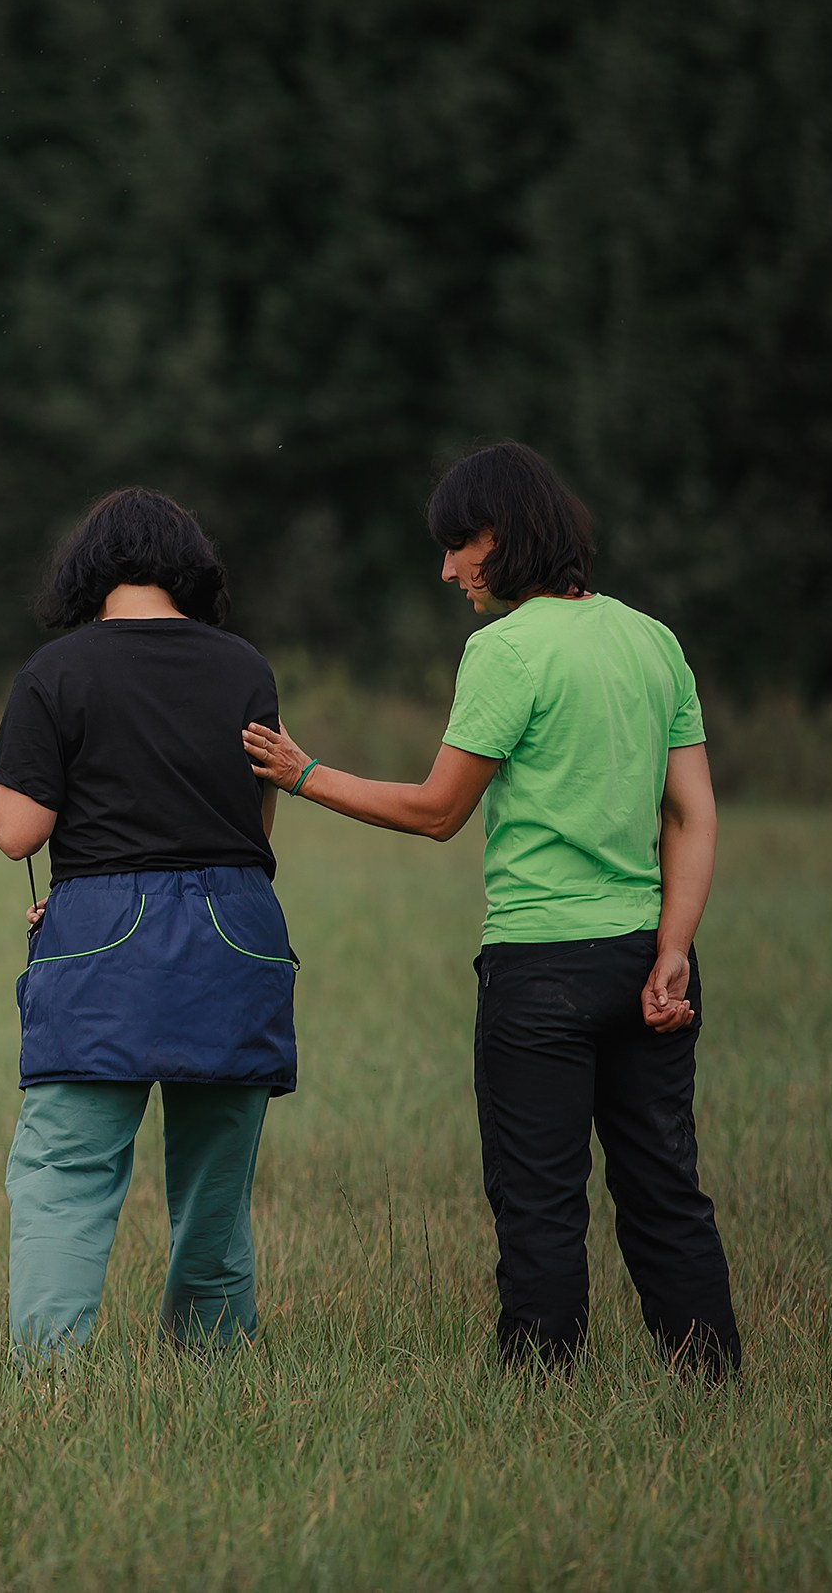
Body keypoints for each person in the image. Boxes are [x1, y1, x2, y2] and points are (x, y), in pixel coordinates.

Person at [242, 442, 741, 1378]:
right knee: (665, 1186)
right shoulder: (652, 639)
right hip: (647, 957)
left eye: (458, 545)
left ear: (502, 538)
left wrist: (306, 776)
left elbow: (437, 811)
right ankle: (713, 1379)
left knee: (540, 1198)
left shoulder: (505, 652)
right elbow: (695, 814)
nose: (448, 569)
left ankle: (540, 1396)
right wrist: (674, 947)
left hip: (540, 969)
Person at [0, 488, 296, 1361]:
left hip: (100, 933)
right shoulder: (246, 668)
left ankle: (50, 1377)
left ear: (89, 569)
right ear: (188, 568)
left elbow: (16, 832)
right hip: (237, 930)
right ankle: (209, 1369)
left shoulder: (56, 672)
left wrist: (4, 771)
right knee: (215, 1188)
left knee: (65, 1175)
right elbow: (254, 825)